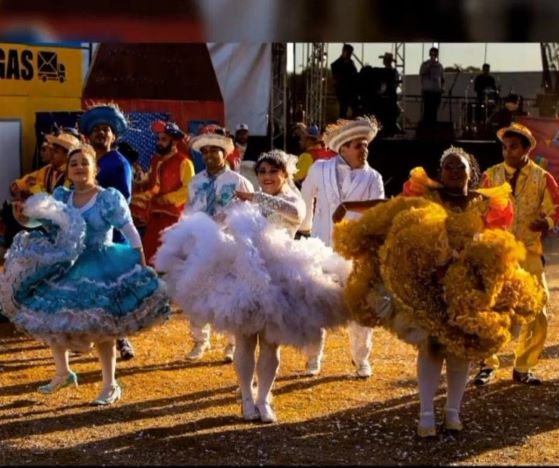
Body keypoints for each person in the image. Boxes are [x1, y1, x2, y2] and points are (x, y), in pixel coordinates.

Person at [335, 146, 543, 437]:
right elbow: (389, 207)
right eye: (449, 167)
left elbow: (497, 239)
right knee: (431, 348)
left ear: (472, 172)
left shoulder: (487, 202)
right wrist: (349, 206)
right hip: (430, 284)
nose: (455, 173)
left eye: (461, 168)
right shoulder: (426, 197)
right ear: (441, 172)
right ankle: (426, 416)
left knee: (461, 350)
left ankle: (453, 413)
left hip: (467, 287)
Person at [154, 149, 350, 423]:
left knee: (272, 345)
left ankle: (264, 399)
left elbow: (294, 213)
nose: (267, 176)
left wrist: (255, 197)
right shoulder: (247, 203)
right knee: (245, 341)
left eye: (273, 171)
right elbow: (222, 222)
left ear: (285, 174)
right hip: (245, 274)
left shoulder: (292, 198)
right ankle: (246, 397)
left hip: (282, 278)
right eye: (262, 172)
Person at [0, 143, 170, 406]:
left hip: (102, 264)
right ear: (68, 170)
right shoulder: (61, 196)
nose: (79, 167)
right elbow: (41, 223)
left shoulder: (107, 198)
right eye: (74, 163)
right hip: (66, 264)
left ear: (95, 168)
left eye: (85, 163)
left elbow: (130, 231)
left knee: (102, 327)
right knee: (52, 318)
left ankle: (109, 384)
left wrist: (140, 263)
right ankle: (63, 372)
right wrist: (23, 216)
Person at [473, 123, 559, 387]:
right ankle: (488, 364)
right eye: (505, 146)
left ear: (526, 150)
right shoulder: (490, 176)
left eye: (513, 147)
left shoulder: (543, 177)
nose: (507, 151)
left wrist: (547, 223)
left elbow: (556, 208)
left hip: (529, 251)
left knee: (539, 309)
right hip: (498, 252)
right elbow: (477, 210)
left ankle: (523, 366)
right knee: (490, 308)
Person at [299, 115, 385, 377]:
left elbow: (379, 208)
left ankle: (361, 359)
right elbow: (305, 199)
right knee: (316, 303)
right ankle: (313, 358)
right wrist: (304, 229)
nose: (365, 149)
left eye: (366, 145)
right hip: (321, 246)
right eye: (359, 145)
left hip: (356, 252)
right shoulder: (319, 169)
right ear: (343, 147)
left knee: (361, 306)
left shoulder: (373, 177)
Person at [180, 126, 254, 363]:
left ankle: (232, 343)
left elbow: (249, 215)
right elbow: (189, 210)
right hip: (200, 244)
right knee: (197, 290)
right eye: (205, 152)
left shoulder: (239, 182)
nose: (210, 155)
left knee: (229, 292)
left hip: (228, 245)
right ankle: (200, 340)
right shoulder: (195, 182)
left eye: (215, 150)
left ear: (225, 153)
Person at [79, 103, 135, 361]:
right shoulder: (84, 162)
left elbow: (123, 198)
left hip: (113, 234)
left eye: (106, 130)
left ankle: (122, 339)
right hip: (85, 236)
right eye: (96, 130)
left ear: (114, 136)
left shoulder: (119, 163)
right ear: (88, 136)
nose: (101, 133)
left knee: (114, 287)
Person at [136, 120, 194, 266]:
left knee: (170, 264)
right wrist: (139, 183)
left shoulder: (184, 162)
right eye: (158, 139)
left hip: (174, 220)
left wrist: (168, 198)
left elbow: (190, 189)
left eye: (164, 139)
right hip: (153, 219)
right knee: (149, 259)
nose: (159, 143)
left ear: (174, 141)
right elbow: (151, 182)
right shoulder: (156, 160)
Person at [331, 44, 360, 119]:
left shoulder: (351, 62)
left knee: (356, 108)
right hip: (343, 92)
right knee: (343, 110)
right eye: (349, 53)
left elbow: (355, 74)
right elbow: (337, 78)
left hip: (352, 91)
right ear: (344, 51)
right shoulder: (336, 64)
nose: (350, 55)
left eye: (351, 53)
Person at [419, 47, 444, 123]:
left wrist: (442, 87)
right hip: (428, 91)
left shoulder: (439, 66)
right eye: (432, 53)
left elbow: (442, 78)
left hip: (437, 91)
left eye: (435, 53)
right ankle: (426, 127)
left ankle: (433, 126)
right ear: (430, 54)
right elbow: (421, 73)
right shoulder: (425, 64)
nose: (433, 55)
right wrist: (428, 67)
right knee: (427, 110)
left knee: (434, 110)